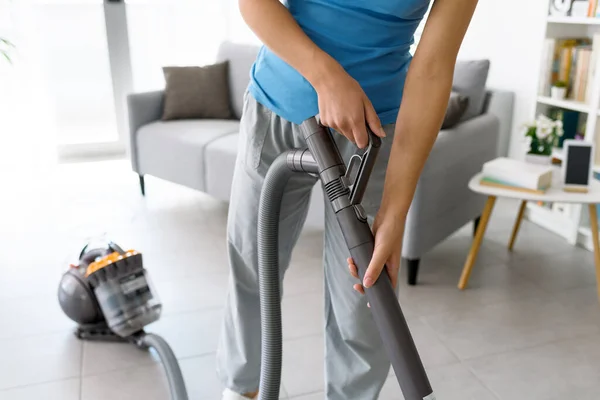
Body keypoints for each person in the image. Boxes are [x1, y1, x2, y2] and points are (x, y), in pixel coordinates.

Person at [217, 0, 479, 398]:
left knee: (365, 294)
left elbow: (433, 68)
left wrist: (395, 211)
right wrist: (327, 77)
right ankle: (242, 389)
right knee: (252, 267)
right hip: (276, 110)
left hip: (371, 133)